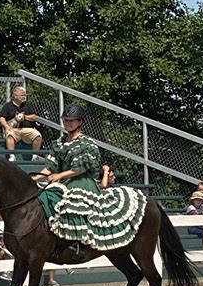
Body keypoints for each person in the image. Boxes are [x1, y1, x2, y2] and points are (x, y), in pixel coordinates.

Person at [32, 103, 147, 257]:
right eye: (65, 120)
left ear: (80, 122)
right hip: (61, 183)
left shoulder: (87, 143)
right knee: (43, 200)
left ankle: (78, 245)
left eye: (71, 121)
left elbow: (81, 168)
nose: (67, 123)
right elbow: (49, 167)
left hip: (81, 182)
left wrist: (59, 175)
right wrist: (35, 178)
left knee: (73, 206)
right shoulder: (58, 143)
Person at [0, 86, 42, 162]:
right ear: (15, 96)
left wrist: (24, 117)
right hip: (13, 129)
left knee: (37, 135)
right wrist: (6, 126)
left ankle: (35, 156)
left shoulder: (27, 105)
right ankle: (12, 156)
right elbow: (2, 118)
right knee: (9, 135)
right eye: (22, 95)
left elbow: (34, 117)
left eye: (25, 95)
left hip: (27, 129)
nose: (24, 97)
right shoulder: (7, 106)